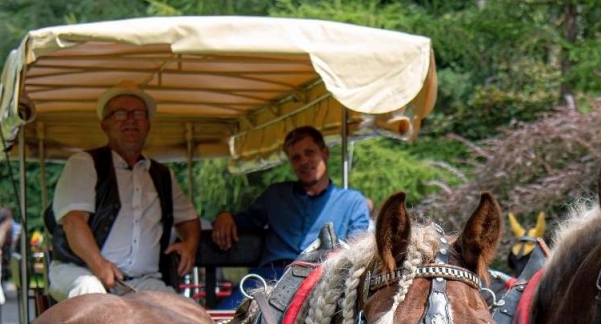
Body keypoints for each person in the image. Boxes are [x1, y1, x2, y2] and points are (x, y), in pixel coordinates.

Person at [45, 82, 199, 300]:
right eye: (120, 114)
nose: (130, 119)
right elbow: (73, 221)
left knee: (186, 315)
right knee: (91, 294)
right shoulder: (84, 163)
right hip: (81, 272)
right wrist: (99, 266)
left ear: (148, 125)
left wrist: (190, 245)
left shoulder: (163, 176)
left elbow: (190, 219)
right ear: (104, 125)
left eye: (138, 113)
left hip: (143, 281)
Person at [209, 125, 371, 308]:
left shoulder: (352, 202)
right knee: (219, 322)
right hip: (269, 279)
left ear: (325, 153)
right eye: (296, 157)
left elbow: (357, 251)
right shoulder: (275, 196)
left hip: (321, 281)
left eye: (310, 152)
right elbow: (242, 221)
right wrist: (224, 216)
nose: (304, 161)